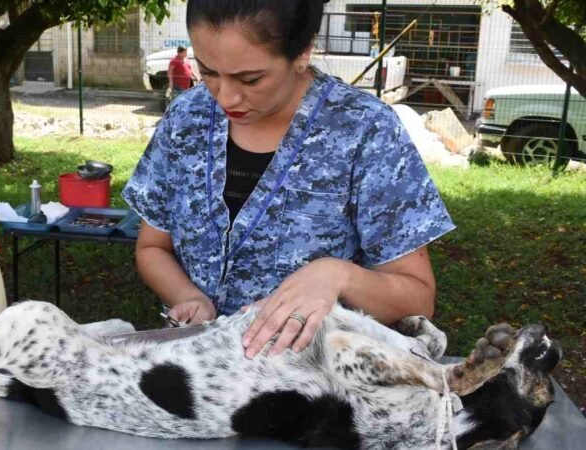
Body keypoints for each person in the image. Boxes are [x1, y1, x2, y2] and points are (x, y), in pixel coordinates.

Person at [122, 0, 455, 360]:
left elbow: (417, 298)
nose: (226, 97)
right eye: (208, 72)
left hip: (313, 383)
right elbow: (153, 246)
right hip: (197, 373)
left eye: (251, 79)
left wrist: (336, 276)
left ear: (303, 52)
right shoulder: (186, 118)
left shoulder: (364, 130)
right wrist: (188, 296)